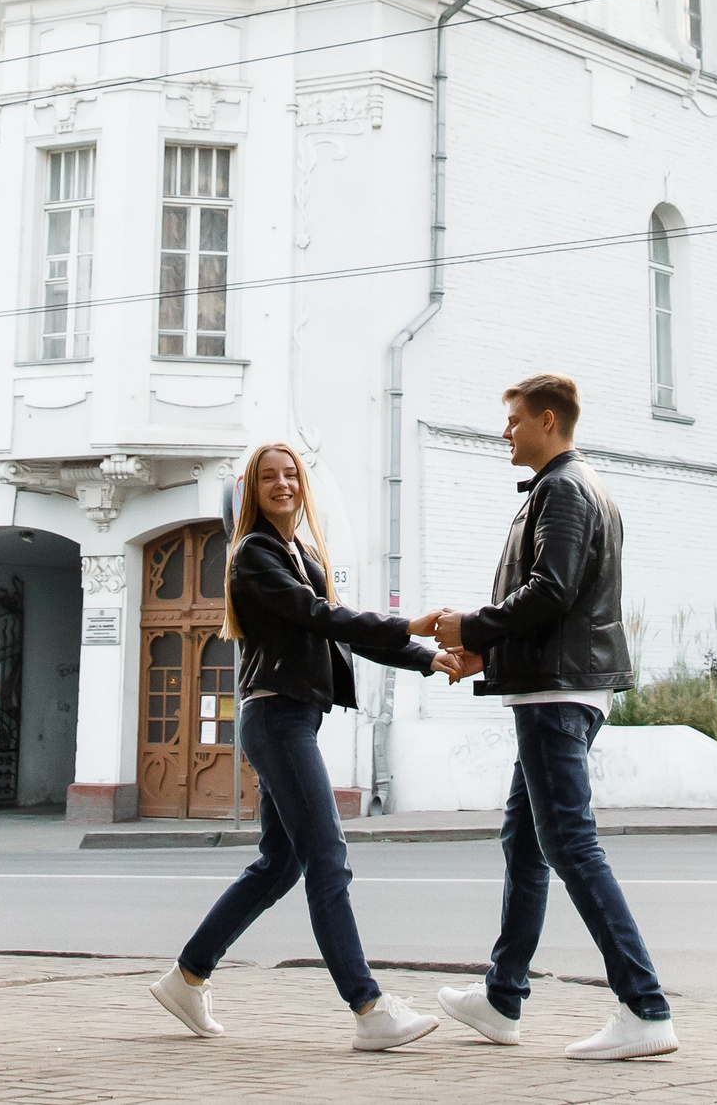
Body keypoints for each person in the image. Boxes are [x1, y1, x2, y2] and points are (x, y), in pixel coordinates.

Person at [416, 372, 677, 1060]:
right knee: (526, 841)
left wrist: (471, 628)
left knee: (568, 844)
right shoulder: (569, 488)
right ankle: (503, 997)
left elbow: (550, 591)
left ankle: (645, 1007)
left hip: (557, 693)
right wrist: (486, 656)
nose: (505, 431)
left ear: (549, 420)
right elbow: (557, 602)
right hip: (556, 685)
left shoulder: (563, 488)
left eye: (514, 419)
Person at [150, 441, 443, 1052]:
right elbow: (321, 616)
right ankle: (368, 1009)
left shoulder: (297, 550)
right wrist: (406, 626)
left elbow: (335, 622)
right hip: (277, 717)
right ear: (251, 492)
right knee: (327, 858)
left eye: (291, 475)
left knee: (280, 864)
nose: (282, 485)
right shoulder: (253, 555)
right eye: (269, 478)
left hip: (291, 718)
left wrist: (429, 658)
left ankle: (187, 977)